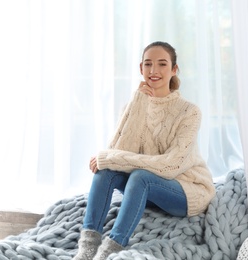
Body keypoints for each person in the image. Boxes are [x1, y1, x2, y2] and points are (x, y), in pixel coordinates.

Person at [73, 41, 216, 260]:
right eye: (148, 64)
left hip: (187, 188)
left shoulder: (189, 112)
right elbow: (116, 152)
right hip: (148, 188)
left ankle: (111, 250)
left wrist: (110, 158)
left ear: (174, 70)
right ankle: (87, 249)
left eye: (162, 64)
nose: (154, 70)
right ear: (141, 69)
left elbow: (170, 166)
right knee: (106, 170)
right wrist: (138, 101)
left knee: (139, 176)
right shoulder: (134, 104)